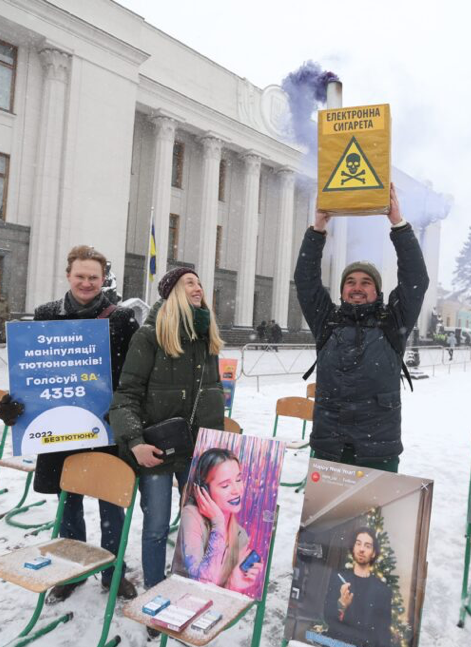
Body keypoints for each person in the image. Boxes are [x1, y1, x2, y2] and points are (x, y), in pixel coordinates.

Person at [0, 245, 139, 602]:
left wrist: (123, 410)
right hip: (61, 426)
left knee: (110, 502)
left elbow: (133, 375)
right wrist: (15, 404)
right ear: (68, 275)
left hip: (104, 425)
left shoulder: (121, 319)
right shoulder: (46, 314)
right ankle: (73, 568)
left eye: (93, 277)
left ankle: (113, 570)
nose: (86, 283)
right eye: (80, 276)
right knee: (67, 501)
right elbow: (35, 367)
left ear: (103, 279)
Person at [109, 266, 224, 636]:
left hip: (197, 450)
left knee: (200, 524)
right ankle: (156, 597)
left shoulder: (206, 335)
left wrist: (218, 449)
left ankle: (193, 591)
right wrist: (135, 442)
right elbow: (126, 396)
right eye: (189, 282)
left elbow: (211, 396)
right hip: (156, 450)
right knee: (157, 526)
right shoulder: (149, 336)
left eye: (199, 282)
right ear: (172, 292)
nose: (198, 287)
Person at [294, 183, 428, 473]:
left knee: (375, 508)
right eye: (350, 282)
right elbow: (305, 281)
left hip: (378, 450)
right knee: (328, 507)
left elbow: (416, 280)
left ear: (377, 291)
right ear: (342, 290)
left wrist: (398, 225)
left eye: (366, 282)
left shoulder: (393, 321)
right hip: (329, 446)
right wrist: (317, 230)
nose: (357, 287)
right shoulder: (327, 320)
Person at [172, 448, 262, 594]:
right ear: (204, 490)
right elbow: (200, 583)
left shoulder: (240, 535)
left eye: (238, 480)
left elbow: (217, 593)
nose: (237, 490)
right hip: (185, 596)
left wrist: (234, 584)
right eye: (225, 485)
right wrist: (218, 523)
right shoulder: (192, 516)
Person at [322, 527, 392, 647]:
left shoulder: (383, 590)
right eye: (358, 544)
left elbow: (383, 633)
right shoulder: (338, 577)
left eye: (367, 546)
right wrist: (341, 605)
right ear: (353, 548)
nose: (361, 549)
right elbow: (327, 617)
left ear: (373, 553)